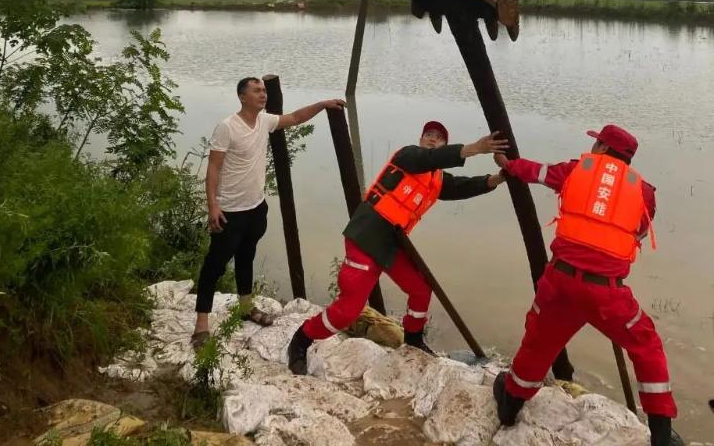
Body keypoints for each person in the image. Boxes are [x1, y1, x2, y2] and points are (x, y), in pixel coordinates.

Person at [491, 124, 683, 446]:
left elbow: (538, 172)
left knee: (538, 341)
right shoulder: (645, 192)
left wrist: (507, 164)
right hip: (607, 292)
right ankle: (662, 435)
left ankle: (511, 403)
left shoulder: (577, 169)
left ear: (605, 150)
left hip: (560, 283)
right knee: (646, 348)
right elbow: (635, 234)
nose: (594, 150)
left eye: (597, 145)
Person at [287, 120, 509, 373]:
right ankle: (301, 340)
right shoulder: (407, 157)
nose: (433, 139)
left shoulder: (436, 179)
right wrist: (475, 148)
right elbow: (426, 158)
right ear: (421, 139)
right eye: (429, 134)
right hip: (367, 236)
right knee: (349, 309)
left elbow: (463, 186)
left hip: (392, 243)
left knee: (421, 289)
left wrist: (499, 178)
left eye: (439, 137)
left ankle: (413, 341)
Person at [192, 76, 346, 346]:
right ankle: (201, 325)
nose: (263, 94)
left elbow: (296, 118)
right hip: (230, 210)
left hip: (255, 208)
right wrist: (213, 205)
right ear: (242, 97)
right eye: (256, 91)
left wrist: (322, 104)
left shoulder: (265, 121)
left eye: (264, 90)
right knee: (214, 267)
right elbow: (214, 168)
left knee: (246, 257)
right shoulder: (228, 127)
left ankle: (245, 307)